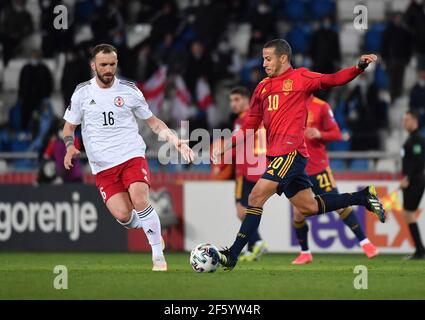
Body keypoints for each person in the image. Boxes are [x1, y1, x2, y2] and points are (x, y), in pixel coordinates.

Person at [211, 39, 385, 271]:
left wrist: (358, 67)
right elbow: (250, 126)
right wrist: (226, 146)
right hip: (277, 156)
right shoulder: (262, 87)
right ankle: (362, 197)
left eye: (268, 58)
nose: (264, 64)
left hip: (290, 151)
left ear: (283, 58)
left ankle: (232, 254)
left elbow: (333, 79)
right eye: (263, 58)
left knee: (255, 197)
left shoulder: (301, 78)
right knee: (308, 208)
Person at [62, 44, 194, 271]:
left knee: (140, 198)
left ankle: (158, 256)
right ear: (93, 65)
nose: (108, 69)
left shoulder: (129, 90)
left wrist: (175, 140)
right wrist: (69, 146)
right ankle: (150, 229)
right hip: (102, 166)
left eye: (112, 64)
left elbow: (153, 122)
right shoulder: (82, 93)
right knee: (124, 215)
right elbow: (68, 128)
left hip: (131, 155)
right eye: (103, 65)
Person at [291, 96, 378, 265]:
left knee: (339, 206)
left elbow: (337, 133)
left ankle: (365, 242)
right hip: (298, 170)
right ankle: (305, 253)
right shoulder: (290, 103)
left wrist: (319, 134)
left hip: (319, 168)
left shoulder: (321, 106)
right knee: (298, 213)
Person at [212, 86, 268, 261]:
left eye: (237, 100)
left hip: (245, 171)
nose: (233, 104)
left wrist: (221, 164)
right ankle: (251, 249)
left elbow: (237, 146)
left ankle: (257, 242)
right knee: (252, 207)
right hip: (257, 168)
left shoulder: (244, 120)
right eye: (231, 101)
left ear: (246, 99)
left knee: (242, 211)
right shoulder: (257, 117)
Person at [400, 110, 425, 260]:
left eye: (407, 120)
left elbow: (419, 161)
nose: (404, 123)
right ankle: (420, 249)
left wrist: (407, 178)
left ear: (415, 121)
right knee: (407, 213)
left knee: (408, 213)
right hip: (412, 180)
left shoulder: (416, 140)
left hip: (415, 180)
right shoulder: (411, 139)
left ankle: (419, 251)